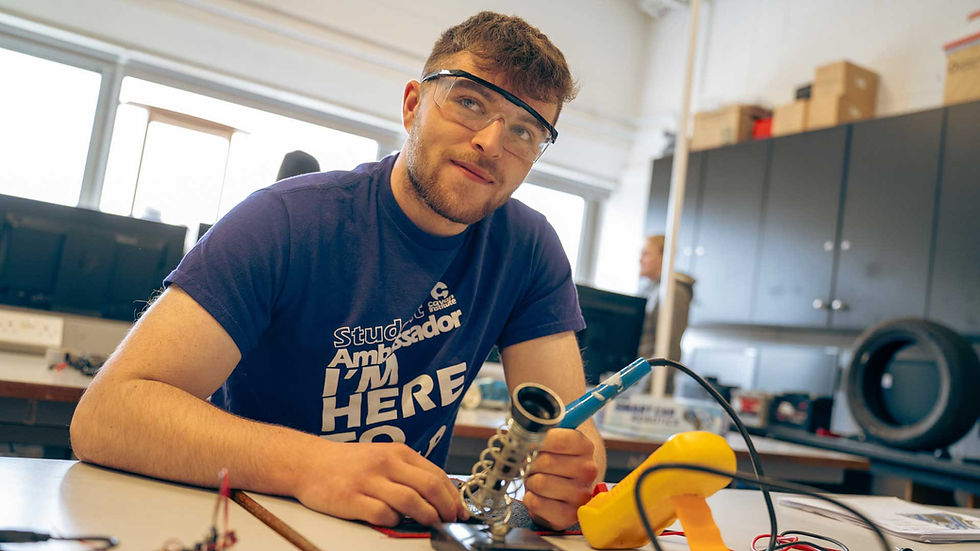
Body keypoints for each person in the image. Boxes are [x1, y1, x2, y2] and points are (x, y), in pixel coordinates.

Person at [70, 12, 605, 531]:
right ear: (413, 105)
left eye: (525, 132)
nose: (491, 143)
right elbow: (107, 414)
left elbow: (571, 435)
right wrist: (315, 465)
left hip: (397, 531)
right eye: (469, 102)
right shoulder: (285, 221)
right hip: (254, 518)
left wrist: (570, 479)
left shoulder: (528, 248)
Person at [637, 235, 695, 368]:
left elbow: (670, 350)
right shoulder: (648, 290)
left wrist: (645, 387)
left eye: (646, 254)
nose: (640, 260)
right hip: (639, 380)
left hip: (652, 384)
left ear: (664, 257)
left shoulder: (674, 292)